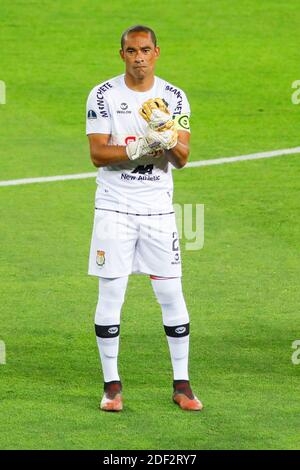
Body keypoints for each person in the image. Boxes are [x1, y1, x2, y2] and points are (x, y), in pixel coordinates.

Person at [86, 25, 203, 412]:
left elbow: (182, 159)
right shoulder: (103, 95)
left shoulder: (174, 97)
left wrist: (166, 137)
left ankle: (183, 385)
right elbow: (99, 154)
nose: (139, 57)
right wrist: (138, 146)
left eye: (146, 50)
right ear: (122, 54)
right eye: (132, 50)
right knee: (112, 293)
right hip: (114, 208)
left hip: (158, 210)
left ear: (157, 53)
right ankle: (111, 387)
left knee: (171, 293)